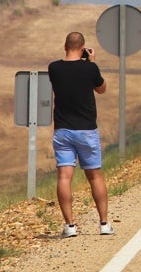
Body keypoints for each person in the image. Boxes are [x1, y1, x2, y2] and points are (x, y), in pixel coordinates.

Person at [47, 32, 113, 238]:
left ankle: (70, 226)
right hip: (87, 130)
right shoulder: (90, 68)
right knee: (95, 176)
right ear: (83, 48)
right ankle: (104, 224)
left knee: (64, 176)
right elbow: (101, 89)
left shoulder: (54, 68)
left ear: (65, 46)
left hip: (63, 131)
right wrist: (91, 63)